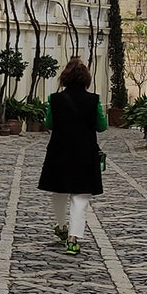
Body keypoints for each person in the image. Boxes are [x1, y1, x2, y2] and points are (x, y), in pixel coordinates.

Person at [38, 58, 107, 255]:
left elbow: (49, 124)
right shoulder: (93, 100)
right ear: (86, 79)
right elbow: (101, 126)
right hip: (85, 153)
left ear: (64, 79)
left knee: (58, 193)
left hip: (59, 152)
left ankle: (61, 226)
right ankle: (73, 239)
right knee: (80, 197)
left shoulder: (55, 99)